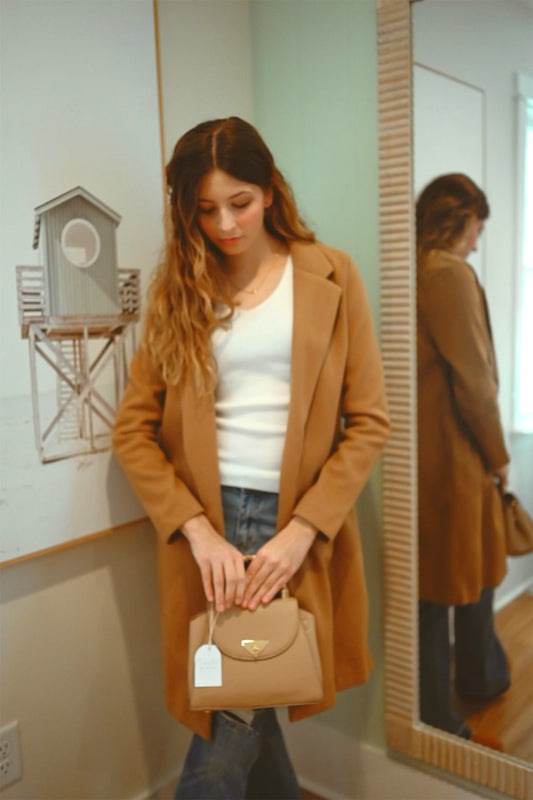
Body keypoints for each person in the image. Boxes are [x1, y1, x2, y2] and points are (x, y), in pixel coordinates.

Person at [112, 116, 389, 799]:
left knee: (228, 727)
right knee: (240, 703)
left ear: (269, 190)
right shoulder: (180, 290)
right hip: (207, 529)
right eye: (205, 209)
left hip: (291, 526)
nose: (225, 224)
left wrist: (302, 531)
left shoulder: (331, 274)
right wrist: (196, 530)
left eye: (239, 202)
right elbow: (133, 431)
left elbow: (368, 423)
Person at [416, 173, 511, 740]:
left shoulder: (413, 268)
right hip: (457, 454)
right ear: (456, 222)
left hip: (431, 455)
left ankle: (478, 679)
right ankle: (445, 709)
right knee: (448, 585)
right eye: (475, 229)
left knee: (450, 579)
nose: (476, 243)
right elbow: (474, 381)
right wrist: (498, 454)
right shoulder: (447, 272)